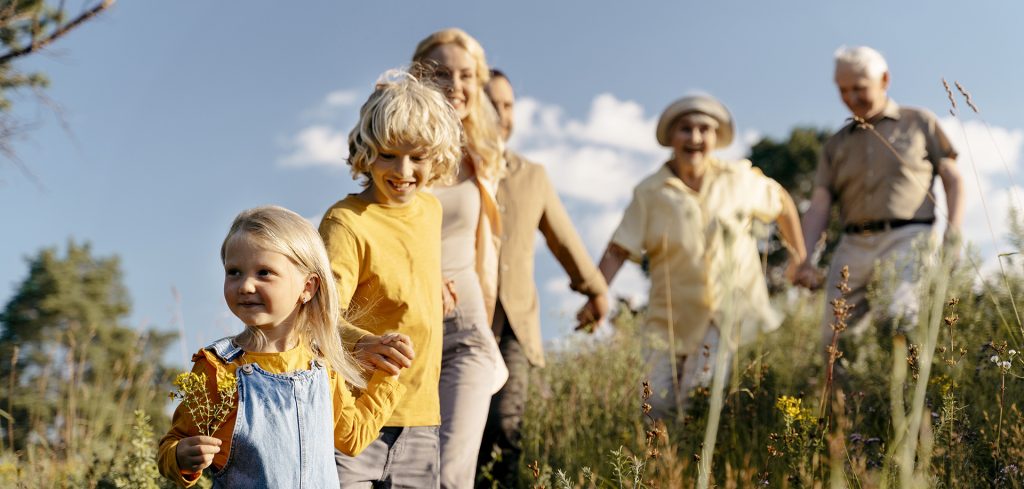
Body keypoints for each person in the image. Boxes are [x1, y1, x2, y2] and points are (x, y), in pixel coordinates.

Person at [157, 205, 408, 488]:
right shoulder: (219, 368)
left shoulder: (322, 365)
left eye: (264, 273)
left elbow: (351, 438)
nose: (246, 286)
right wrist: (180, 456)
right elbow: (174, 442)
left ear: (308, 287)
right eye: (234, 272)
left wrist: (388, 377)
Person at [593, 94, 807, 419]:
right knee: (656, 406)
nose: (695, 138)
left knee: (699, 402)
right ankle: (663, 470)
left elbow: (782, 203)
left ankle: (699, 467)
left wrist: (799, 259)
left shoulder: (738, 179)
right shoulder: (650, 192)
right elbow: (619, 248)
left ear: (715, 138)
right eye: (685, 129)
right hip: (668, 319)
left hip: (724, 316)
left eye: (704, 130)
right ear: (671, 137)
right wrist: (595, 295)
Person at [319, 72, 463, 488]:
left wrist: (431, 284)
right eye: (388, 155)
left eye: (417, 157)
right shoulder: (345, 222)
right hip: (355, 419)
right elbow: (318, 316)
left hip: (421, 417)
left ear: (436, 156)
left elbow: (404, 262)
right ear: (366, 153)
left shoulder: (431, 211)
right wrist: (365, 343)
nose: (404, 171)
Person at [476, 69, 609, 488]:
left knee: (505, 429)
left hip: (513, 326)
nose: (500, 114)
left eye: (508, 105)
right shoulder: (448, 168)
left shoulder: (532, 175)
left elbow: (564, 238)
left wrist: (596, 290)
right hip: (457, 319)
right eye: (490, 103)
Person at [793, 46, 963, 352]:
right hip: (853, 244)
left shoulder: (918, 121)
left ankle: (905, 397)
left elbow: (953, 179)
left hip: (909, 236)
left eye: (859, 88)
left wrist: (954, 233)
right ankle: (847, 400)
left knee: (898, 321)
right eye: (843, 90)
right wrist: (804, 259)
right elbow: (819, 204)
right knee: (834, 338)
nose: (850, 98)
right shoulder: (836, 144)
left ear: (884, 80)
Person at [411, 28, 510, 489]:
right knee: (405, 473)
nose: (455, 85)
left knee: (451, 474)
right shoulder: (398, 153)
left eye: (466, 75)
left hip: (468, 331)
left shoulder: (484, 157)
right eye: (441, 74)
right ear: (418, 79)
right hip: (406, 333)